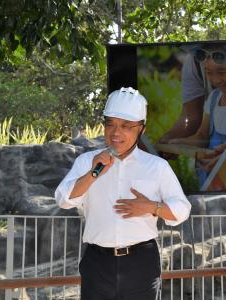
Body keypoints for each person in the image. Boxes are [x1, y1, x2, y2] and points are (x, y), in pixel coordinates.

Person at [55, 87, 191, 300]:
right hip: (97, 263)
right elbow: (63, 200)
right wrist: (92, 173)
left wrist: (151, 207)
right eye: (111, 124)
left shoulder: (157, 166)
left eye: (126, 126)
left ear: (141, 130)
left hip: (141, 263)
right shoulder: (87, 162)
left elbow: (182, 210)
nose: (116, 132)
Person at [169, 42, 226, 184]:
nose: (216, 80)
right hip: (209, 182)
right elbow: (202, 136)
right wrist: (179, 143)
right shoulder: (214, 98)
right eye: (209, 73)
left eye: (222, 72)